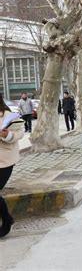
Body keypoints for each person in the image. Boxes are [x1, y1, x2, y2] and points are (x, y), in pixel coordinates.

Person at [0, 94, 24, 238]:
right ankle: (7, 219)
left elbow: (20, 132)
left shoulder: (9, 115)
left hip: (5, 160)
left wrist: (7, 135)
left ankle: (7, 220)